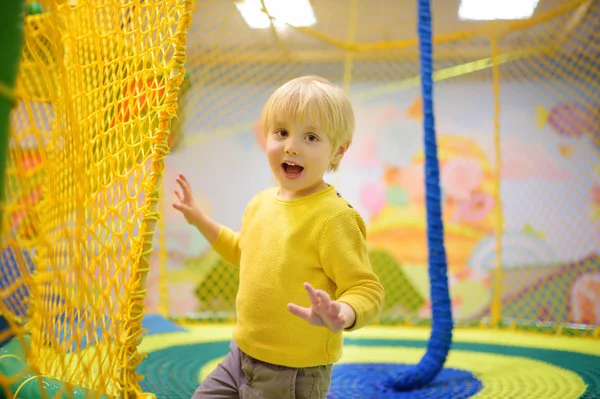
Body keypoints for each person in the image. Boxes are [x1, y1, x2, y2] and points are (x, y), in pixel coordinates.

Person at [173, 75, 384, 399]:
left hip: (294, 372)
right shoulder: (260, 202)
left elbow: (366, 288)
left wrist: (343, 312)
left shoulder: (334, 217)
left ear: (338, 152)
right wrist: (200, 220)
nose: (292, 146)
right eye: (282, 132)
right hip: (240, 354)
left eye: (311, 137)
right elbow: (242, 251)